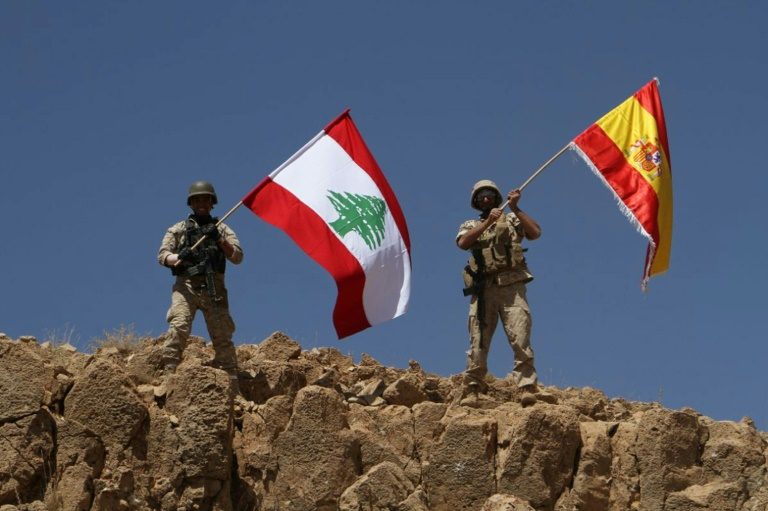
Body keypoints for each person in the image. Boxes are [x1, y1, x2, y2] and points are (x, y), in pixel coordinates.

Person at [456, 179, 541, 405]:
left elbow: (534, 233)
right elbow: (463, 243)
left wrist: (515, 207)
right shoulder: (470, 224)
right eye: (481, 195)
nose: (486, 198)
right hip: (484, 290)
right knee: (478, 341)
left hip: (512, 287)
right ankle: (473, 389)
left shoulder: (512, 219)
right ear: (476, 201)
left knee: (520, 337)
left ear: (496, 197)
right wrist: (487, 223)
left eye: (489, 194)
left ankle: (527, 387)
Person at [158, 181, 244, 386]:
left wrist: (219, 239)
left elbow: (237, 257)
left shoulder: (222, 228)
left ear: (212, 203)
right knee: (179, 325)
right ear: (191, 204)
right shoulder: (178, 229)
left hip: (214, 288)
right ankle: (168, 372)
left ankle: (231, 378)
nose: (202, 204)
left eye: (206, 200)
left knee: (222, 333)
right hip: (186, 286)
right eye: (197, 200)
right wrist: (178, 256)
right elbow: (163, 256)